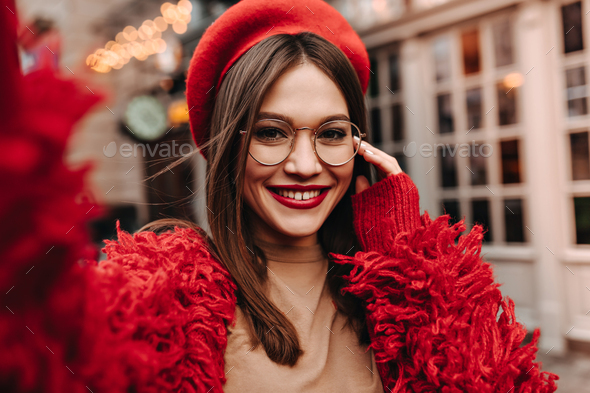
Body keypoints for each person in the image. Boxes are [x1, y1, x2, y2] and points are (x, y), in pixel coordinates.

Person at [0, 0, 559, 392]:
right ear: (226, 149)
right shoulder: (160, 299)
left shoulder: (404, 289)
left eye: (332, 134)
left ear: (360, 146)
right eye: (270, 133)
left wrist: (409, 259)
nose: (304, 165)